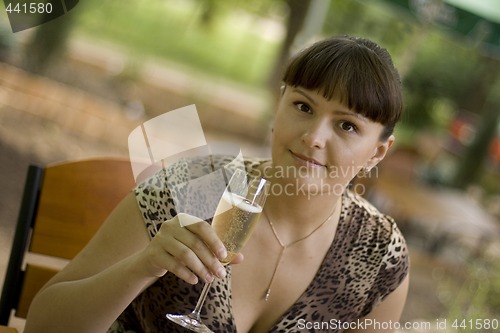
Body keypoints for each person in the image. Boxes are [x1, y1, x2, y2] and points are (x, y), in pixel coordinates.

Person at [24, 35, 409, 333]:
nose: (314, 137)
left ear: (378, 152)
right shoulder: (190, 189)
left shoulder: (379, 256)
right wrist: (142, 267)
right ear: (279, 107)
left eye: (347, 125)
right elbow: (42, 326)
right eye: (303, 107)